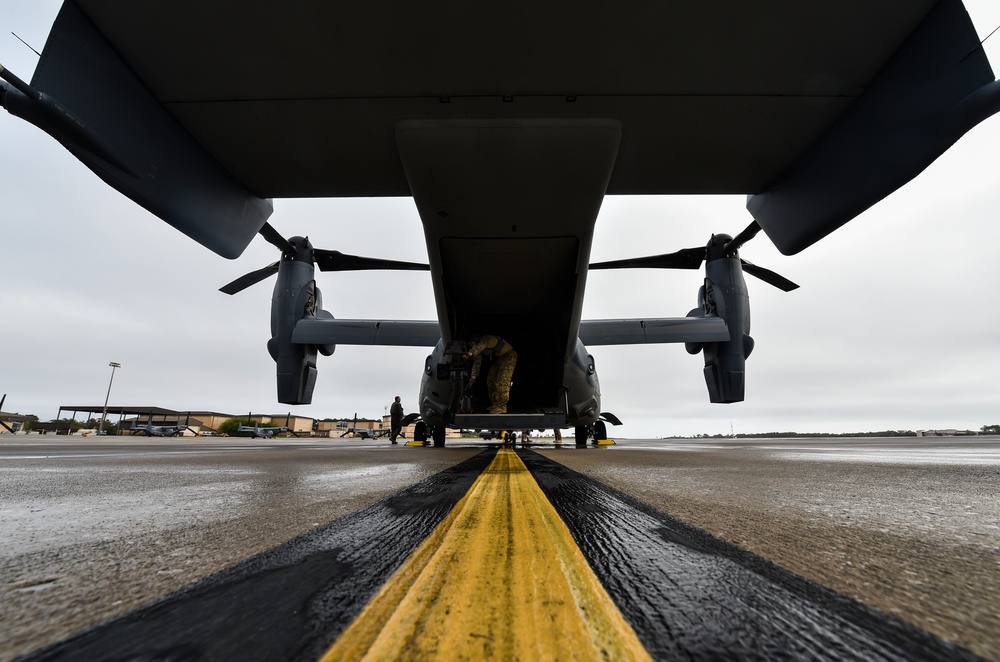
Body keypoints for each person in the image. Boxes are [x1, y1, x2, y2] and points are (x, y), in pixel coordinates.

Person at [462, 335, 517, 414]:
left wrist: (468, 354)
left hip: (509, 356)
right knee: (491, 379)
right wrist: (472, 379)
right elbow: (476, 365)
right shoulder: (479, 349)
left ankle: (502, 406)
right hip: (500, 358)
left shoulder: (486, 339)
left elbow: (479, 348)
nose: (471, 345)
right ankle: (495, 404)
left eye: (471, 343)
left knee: (502, 380)